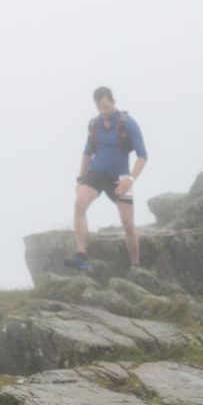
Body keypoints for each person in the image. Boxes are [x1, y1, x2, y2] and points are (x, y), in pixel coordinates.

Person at [66, 86, 148, 271]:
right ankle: (81, 256)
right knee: (79, 204)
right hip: (95, 173)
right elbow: (87, 153)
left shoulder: (128, 123)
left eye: (106, 107)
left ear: (113, 102)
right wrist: (80, 177)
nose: (103, 111)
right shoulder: (94, 125)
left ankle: (136, 265)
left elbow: (142, 156)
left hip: (120, 178)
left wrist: (130, 180)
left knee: (128, 224)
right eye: (99, 108)